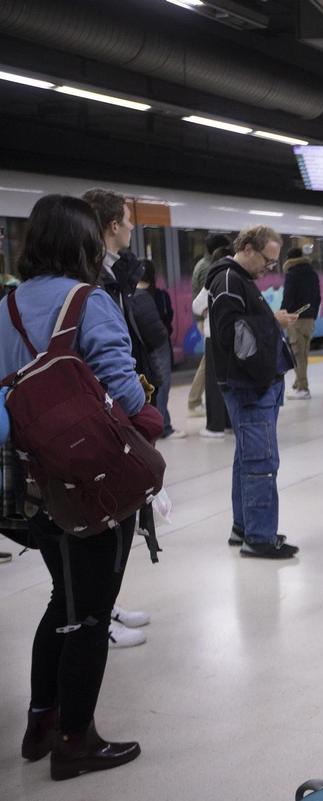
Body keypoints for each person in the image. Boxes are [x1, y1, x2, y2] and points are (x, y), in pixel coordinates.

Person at [2, 195, 150, 780]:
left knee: (60, 598)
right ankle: (75, 740)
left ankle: (40, 722)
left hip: (22, 484)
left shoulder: (7, 303)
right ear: (86, 244)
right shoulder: (87, 303)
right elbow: (126, 391)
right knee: (90, 613)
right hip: (90, 483)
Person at [83, 188, 154, 649]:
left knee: (116, 513)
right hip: (105, 416)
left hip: (112, 412)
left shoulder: (112, 278)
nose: (132, 229)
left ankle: (106, 604)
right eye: (127, 221)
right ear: (112, 225)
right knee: (104, 515)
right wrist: (141, 410)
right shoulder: (94, 284)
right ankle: (97, 615)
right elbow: (109, 358)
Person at [207, 225, 299, 558]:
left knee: (247, 459)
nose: (269, 269)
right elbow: (232, 335)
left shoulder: (237, 279)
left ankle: (243, 527)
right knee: (261, 462)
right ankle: (259, 537)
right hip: (250, 387)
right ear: (247, 248)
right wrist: (270, 323)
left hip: (254, 385)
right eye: (267, 260)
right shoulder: (230, 281)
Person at [131, 261, 183, 439]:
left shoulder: (129, 296)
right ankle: (162, 425)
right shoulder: (155, 296)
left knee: (151, 385)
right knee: (161, 384)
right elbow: (165, 322)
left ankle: (158, 423)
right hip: (158, 345)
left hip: (143, 347)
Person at [193, 245, 233, 438]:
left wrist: (206, 308)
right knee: (229, 380)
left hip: (213, 337)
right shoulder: (237, 277)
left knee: (214, 383)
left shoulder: (213, 279)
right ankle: (229, 423)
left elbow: (196, 305)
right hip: (232, 338)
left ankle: (215, 427)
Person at [188, 233, 230, 417]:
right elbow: (209, 294)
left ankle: (196, 400)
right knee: (208, 363)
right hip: (209, 322)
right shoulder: (209, 267)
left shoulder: (203, 264)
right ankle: (194, 401)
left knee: (208, 362)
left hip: (206, 321)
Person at [282, 246, 321, 400]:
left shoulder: (292, 274)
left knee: (298, 355)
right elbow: (318, 297)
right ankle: (298, 383)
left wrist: (283, 315)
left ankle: (303, 389)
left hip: (295, 319)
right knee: (303, 353)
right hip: (309, 319)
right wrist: (313, 314)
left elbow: (288, 297)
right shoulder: (312, 273)